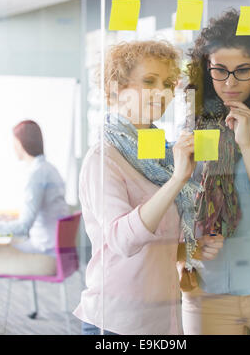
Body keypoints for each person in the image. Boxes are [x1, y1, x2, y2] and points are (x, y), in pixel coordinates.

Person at [73, 40, 224, 335]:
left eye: (168, 83)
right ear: (116, 88)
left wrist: (194, 247)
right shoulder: (103, 158)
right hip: (116, 322)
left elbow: (163, 239)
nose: (162, 92)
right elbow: (122, 241)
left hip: (164, 317)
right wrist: (177, 179)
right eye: (149, 81)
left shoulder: (160, 154)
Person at [179, 9, 250, 335]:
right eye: (219, 70)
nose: (229, 83)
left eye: (243, 70)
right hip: (206, 289)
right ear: (205, 69)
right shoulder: (193, 126)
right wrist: (186, 250)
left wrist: (247, 146)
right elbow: (180, 210)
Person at [0, 120, 69, 277]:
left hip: (45, 253)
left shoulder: (36, 174)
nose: (13, 147)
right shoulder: (50, 169)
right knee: (1, 246)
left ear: (21, 143)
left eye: (14, 142)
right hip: (56, 250)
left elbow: (23, 228)